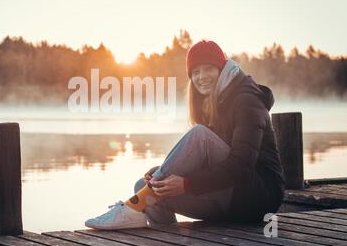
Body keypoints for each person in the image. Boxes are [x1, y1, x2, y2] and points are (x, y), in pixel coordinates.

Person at [85, 40, 285, 230]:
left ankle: (130, 210)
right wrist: (163, 174)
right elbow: (214, 162)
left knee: (199, 135)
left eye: (208, 68)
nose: (201, 76)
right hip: (234, 199)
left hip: (258, 199)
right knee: (147, 187)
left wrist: (188, 184)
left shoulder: (246, 100)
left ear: (222, 69)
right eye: (195, 72)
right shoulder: (213, 102)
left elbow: (240, 165)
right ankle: (167, 241)